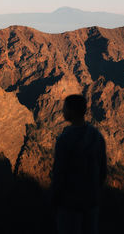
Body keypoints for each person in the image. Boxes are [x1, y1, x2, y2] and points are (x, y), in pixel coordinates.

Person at [51, 94, 107, 234]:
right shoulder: (97, 136)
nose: (63, 111)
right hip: (91, 202)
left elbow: (59, 174)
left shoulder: (65, 139)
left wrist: (54, 199)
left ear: (71, 111)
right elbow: (103, 171)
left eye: (64, 108)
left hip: (69, 205)